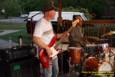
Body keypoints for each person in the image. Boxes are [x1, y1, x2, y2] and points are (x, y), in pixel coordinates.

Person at [33, 6, 66, 77]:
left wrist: (63, 34)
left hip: (53, 52)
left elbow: (53, 36)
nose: (55, 14)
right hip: (45, 53)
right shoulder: (40, 23)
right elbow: (35, 39)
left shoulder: (49, 22)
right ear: (47, 12)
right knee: (48, 74)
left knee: (56, 71)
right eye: (53, 12)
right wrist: (47, 48)